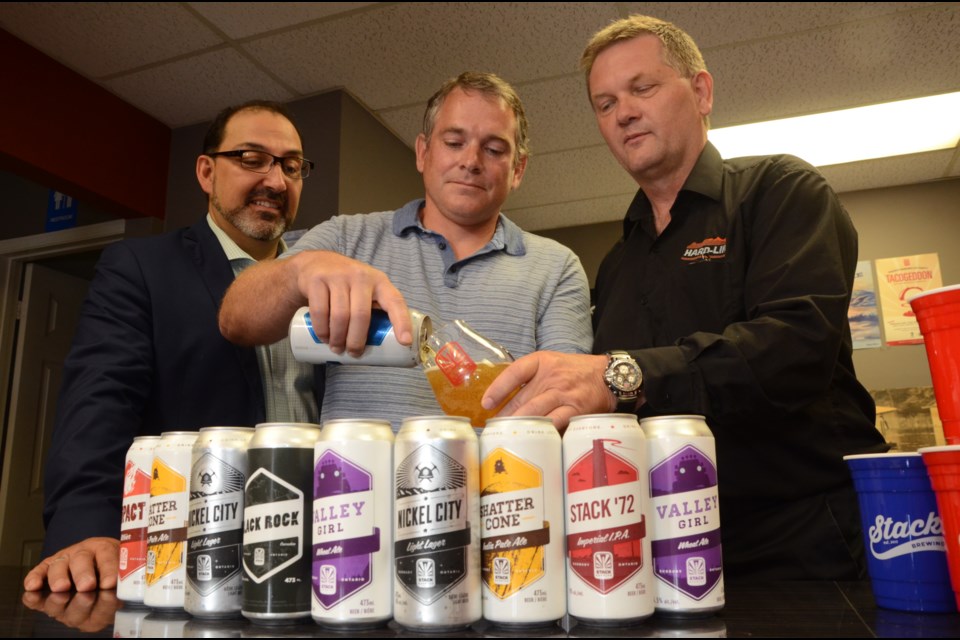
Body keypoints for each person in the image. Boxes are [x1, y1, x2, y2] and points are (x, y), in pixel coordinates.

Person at [482, 15, 888, 580]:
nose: (623, 112)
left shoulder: (780, 191)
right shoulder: (618, 265)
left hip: (803, 545)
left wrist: (619, 375)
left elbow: (796, 348)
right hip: (662, 555)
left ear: (701, 91)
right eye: (604, 103)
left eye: (642, 88)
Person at [24, 100, 323, 593]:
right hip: (188, 560)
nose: (275, 180)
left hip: (317, 557)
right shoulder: (141, 267)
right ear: (206, 172)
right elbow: (99, 401)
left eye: (291, 166)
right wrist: (84, 529)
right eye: (252, 159)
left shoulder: (323, 283)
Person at [219, 72, 593, 429]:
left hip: (505, 489)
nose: (471, 161)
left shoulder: (556, 267)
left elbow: (568, 405)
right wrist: (299, 271)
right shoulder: (347, 238)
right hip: (355, 489)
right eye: (454, 142)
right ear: (423, 152)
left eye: (494, 149)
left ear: (518, 169)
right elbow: (237, 319)